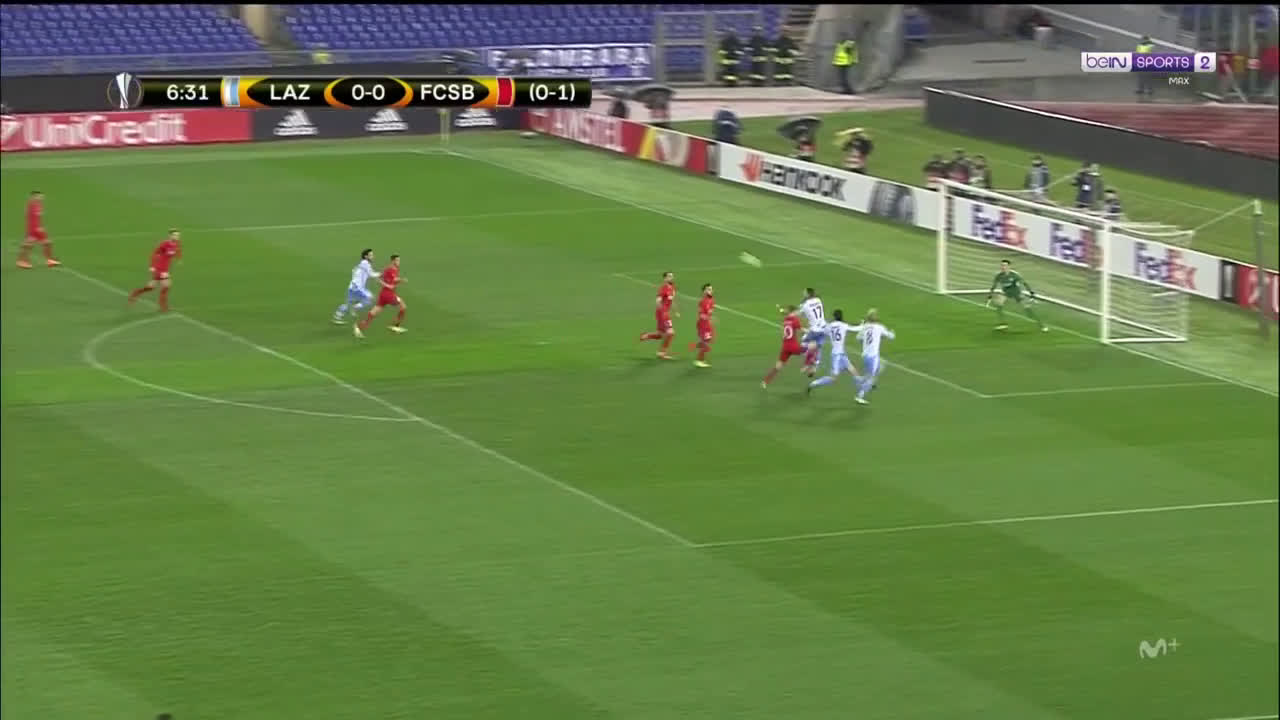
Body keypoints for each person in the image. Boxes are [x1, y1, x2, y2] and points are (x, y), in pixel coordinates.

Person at [805, 309, 863, 396]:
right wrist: (863, 325)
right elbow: (855, 329)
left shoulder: (830, 326)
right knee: (833, 378)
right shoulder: (843, 325)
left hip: (839, 353)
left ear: (834, 316)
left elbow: (822, 331)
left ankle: (863, 389)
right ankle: (813, 384)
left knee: (852, 370)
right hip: (837, 355)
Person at [128, 229, 182, 312]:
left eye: (178, 235)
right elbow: (155, 253)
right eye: (175, 235)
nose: (177, 236)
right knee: (166, 285)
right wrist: (152, 266)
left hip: (166, 268)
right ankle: (163, 306)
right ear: (170, 236)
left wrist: (179, 258)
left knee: (151, 287)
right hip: (160, 268)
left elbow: (177, 251)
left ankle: (135, 293)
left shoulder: (176, 243)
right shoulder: (165, 244)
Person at [987, 259, 1048, 332]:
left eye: (1005, 265)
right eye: (1002, 265)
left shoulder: (1014, 275)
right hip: (1006, 293)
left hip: (1016, 293)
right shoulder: (999, 276)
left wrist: (1031, 292)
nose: (1003, 267)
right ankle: (1003, 324)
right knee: (999, 303)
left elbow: (1024, 283)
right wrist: (990, 295)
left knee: (1027, 309)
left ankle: (1041, 325)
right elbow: (994, 285)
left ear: (1009, 266)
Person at [354, 254, 407, 337]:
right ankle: (395, 326)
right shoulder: (391, 269)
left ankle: (358, 327)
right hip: (388, 294)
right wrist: (391, 284)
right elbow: (391, 279)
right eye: (397, 260)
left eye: (399, 260)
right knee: (403, 307)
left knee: (373, 313)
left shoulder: (390, 269)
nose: (398, 262)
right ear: (393, 261)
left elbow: (382, 278)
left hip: (383, 294)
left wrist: (395, 281)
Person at [851, 308, 896, 405]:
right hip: (873, 356)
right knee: (872, 376)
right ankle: (860, 395)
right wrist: (892, 332)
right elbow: (891, 336)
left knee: (882, 365)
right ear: (875, 317)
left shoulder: (865, 327)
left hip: (865, 355)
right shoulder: (879, 327)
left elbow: (858, 338)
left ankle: (863, 380)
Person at [761, 305, 806, 389]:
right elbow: (802, 330)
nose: (798, 313)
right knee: (811, 349)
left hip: (785, 347)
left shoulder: (785, 320)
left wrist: (784, 312)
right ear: (794, 311)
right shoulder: (795, 320)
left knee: (778, 365)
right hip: (793, 346)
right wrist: (810, 331)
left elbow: (787, 317)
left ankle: (765, 381)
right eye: (797, 311)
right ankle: (806, 366)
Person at [638, 271, 678, 359]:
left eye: (672, 276)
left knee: (660, 335)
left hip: (665, 313)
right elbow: (658, 300)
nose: (671, 278)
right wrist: (663, 311)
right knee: (670, 333)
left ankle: (647, 335)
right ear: (665, 278)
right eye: (669, 276)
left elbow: (671, 300)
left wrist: (675, 311)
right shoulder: (663, 288)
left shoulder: (673, 287)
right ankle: (662, 352)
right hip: (662, 313)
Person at [332, 248, 378, 324]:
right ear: (366, 256)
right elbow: (372, 274)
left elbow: (354, 271)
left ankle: (337, 316)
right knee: (370, 298)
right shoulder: (365, 263)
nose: (372, 256)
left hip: (352, 286)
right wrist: (382, 274)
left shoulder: (361, 264)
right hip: (358, 288)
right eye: (371, 255)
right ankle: (354, 308)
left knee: (348, 304)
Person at [17, 190, 60, 269]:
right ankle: (23, 261)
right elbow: (32, 218)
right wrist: (38, 228)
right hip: (35, 228)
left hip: (35, 228)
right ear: (34, 197)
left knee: (31, 245)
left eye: (41, 196)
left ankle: (22, 261)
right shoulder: (32, 206)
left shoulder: (37, 205)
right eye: (39, 196)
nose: (41, 197)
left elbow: (36, 217)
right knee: (44, 243)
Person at [796, 287, 827, 375]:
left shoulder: (805, 305)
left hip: (815, 330)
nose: (803, 294)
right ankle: (814, 367)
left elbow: (798, 314)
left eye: (804, 293)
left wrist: (788, 313)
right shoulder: (818, 300)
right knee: (817, 346)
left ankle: (809, 362)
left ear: (807, 294)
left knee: (804, 344)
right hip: (824, 328)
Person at [692, 283, 715, 368]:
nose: (711, 291)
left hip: (707, 324)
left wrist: (710, 319)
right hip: (703, 324)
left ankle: (695, 346)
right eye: (708, 289)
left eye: (711, 289)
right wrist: (709, 318)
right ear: (704, 291)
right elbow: (701, 314)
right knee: (706, 342)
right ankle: (699, 361)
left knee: (707, 340)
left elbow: (710, 312)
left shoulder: (712, 300)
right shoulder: (703, 301)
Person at [1136, 35, 1155, 101]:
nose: (1143, 40)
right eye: (1143, 39)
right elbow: (1137, 53)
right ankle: (1140, 89)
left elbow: (1150, 53)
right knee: (1140, 77)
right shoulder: (1139, 45)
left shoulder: (1150, 45)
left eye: (1144, 39)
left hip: (1148, 63)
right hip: (1141, 63)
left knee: (1148, 77)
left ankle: (1150, 90)